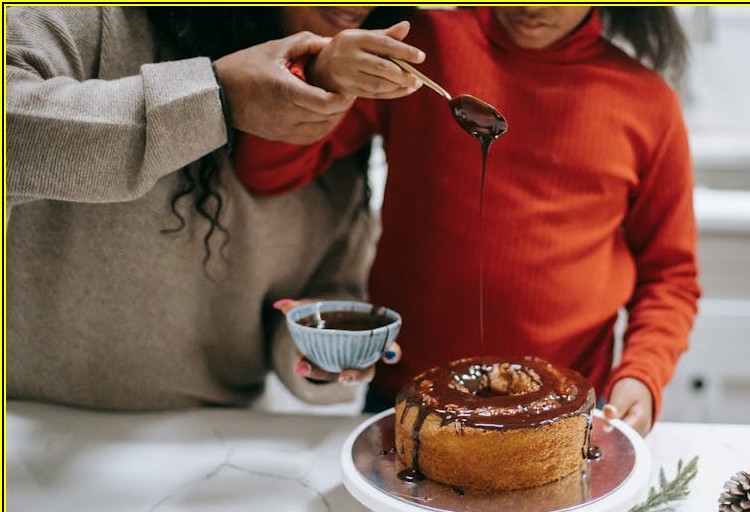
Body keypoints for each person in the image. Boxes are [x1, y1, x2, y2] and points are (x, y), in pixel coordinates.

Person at [235, 7, 701, 436]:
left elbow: (671, 277)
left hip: (566, 413)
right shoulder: (423, 47)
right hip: (404, 401)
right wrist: (322, 73)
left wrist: (642, 374)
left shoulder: (648, 105)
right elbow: (268, 170)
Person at [5, 6, 422, 411]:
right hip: (25, 431)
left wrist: (322, 348)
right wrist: (217, 96)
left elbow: (327, 284)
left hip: (213, 447)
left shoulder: (336, 102)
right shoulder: (99, 17)